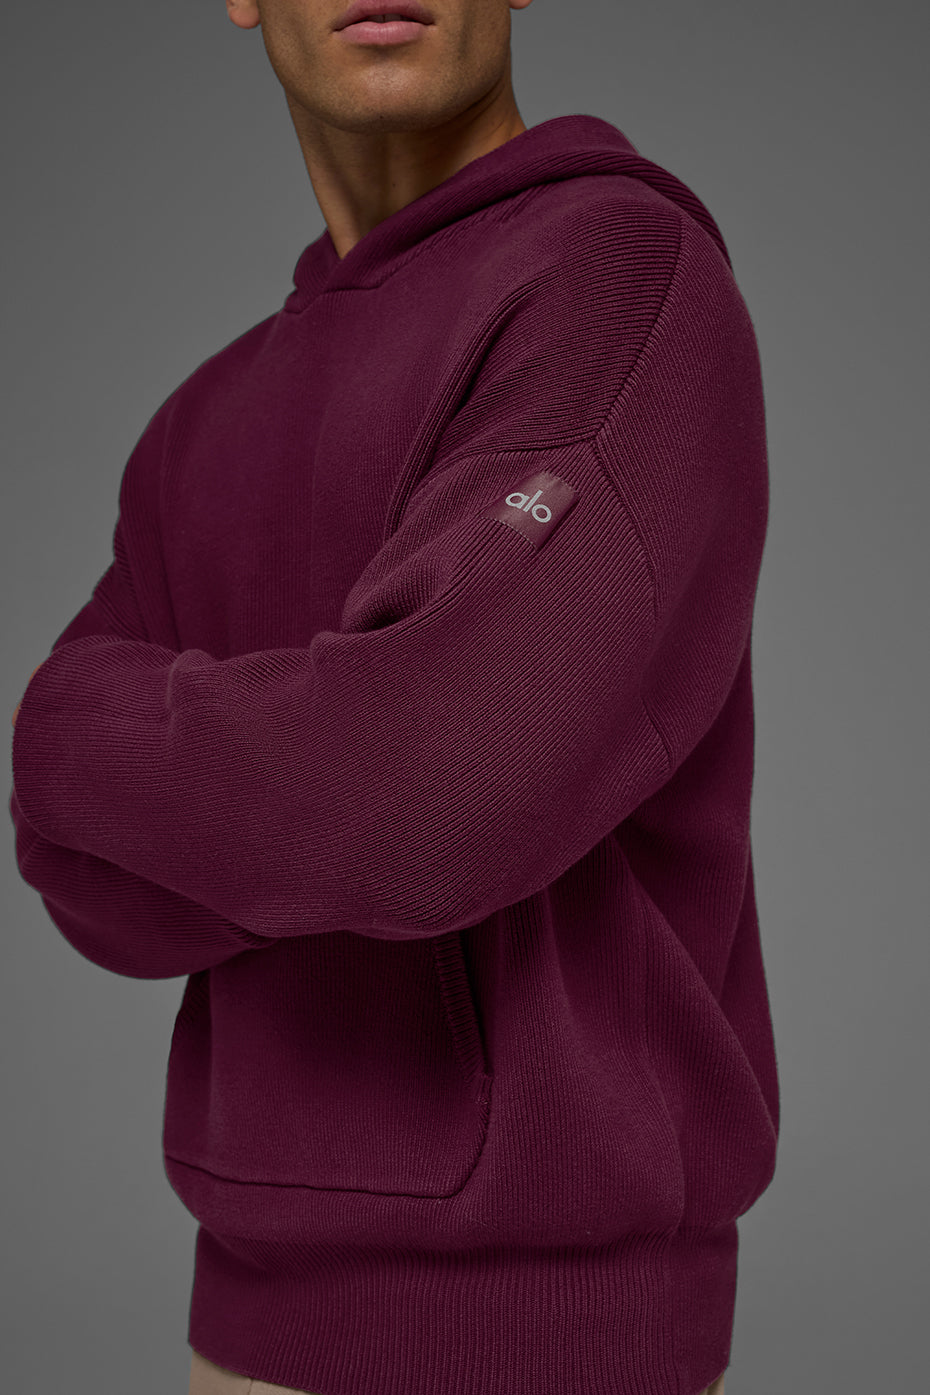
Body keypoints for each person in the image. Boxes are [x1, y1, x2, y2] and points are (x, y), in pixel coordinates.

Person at [9, 3, 780, 1393]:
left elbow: (416, 798)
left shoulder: (615, 275)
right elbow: (82, 881)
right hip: (237, 1335)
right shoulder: (201, 417)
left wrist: (97, 741)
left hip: (552, 1347)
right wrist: (293, 779)